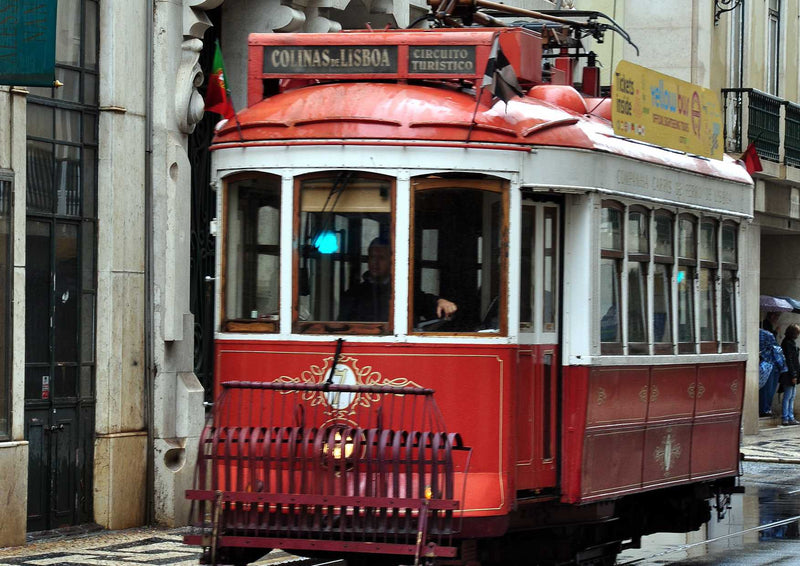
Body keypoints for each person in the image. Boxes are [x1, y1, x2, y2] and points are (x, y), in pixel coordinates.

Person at [338, 238, 457, 322]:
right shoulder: (354, 293)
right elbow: (342, 326)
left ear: (392, 261)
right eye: (372, 257)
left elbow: (424, 301)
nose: (375, 262)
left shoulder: (403, 291)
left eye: (381, 258)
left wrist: (440, 302)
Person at [760, 328, 788, 418]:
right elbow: (778, 355)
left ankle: (764, 409)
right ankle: (765, 409)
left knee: (764, 389)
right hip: (772, 367)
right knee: (769, 390)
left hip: (763, 365)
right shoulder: (769, 336)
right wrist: (783, 368)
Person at [780, 323, 800, 425]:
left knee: (792, 396)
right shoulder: (787, 343)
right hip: (789, 374)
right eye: (797, 332)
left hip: (791, 373)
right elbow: (790, 360)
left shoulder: (790, 342)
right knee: (788, 396)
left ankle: (790, 416)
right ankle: (786, 417)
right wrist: (794, 375)